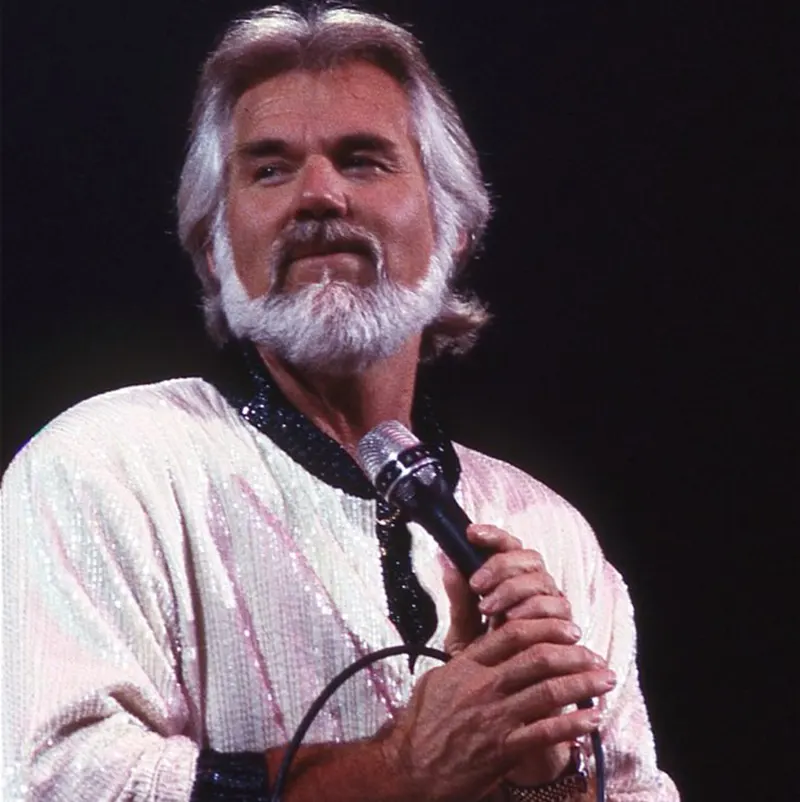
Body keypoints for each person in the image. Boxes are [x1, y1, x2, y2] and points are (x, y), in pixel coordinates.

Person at [1, 5, 679, 801]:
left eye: (363, 160)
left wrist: (541, 768)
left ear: (454, 226)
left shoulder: (550, 535)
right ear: (213, 247)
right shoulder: (106, 469)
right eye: (269, 170)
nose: (319, 195)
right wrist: (400, 769)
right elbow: (54, 779)